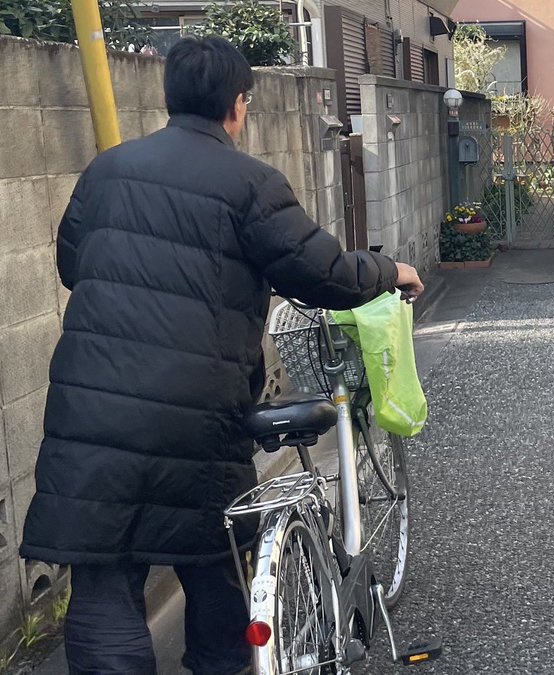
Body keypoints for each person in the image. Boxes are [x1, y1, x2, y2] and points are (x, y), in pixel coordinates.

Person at [19, 36, 423, 675]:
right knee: (215, 559)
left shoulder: (106, 171)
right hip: (195, 411)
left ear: (170, 97)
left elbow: (75, 266)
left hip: (90, 411)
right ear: (237, 105)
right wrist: (390, 270)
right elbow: (322, 274)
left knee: (102, 578)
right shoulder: (250, 183)